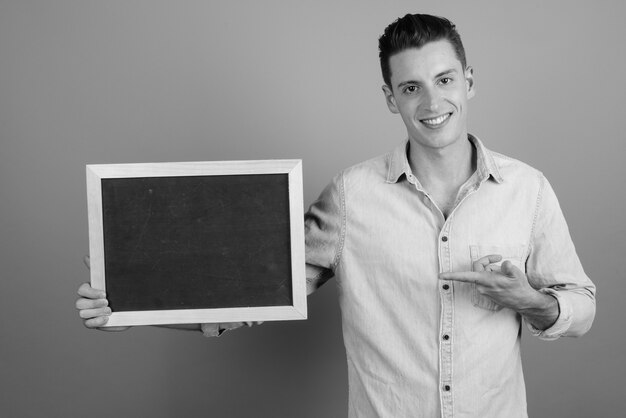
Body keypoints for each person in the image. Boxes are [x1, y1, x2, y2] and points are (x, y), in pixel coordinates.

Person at [76, 14, 596, 417]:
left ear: (469, 82)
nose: (432, 100)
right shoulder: (350, 196)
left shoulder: (526, 188)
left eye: (445, 79)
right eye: (411, 87)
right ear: (390, 98)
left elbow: (581, 305)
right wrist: (134, 307)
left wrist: (533, 302)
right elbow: (255, 291)